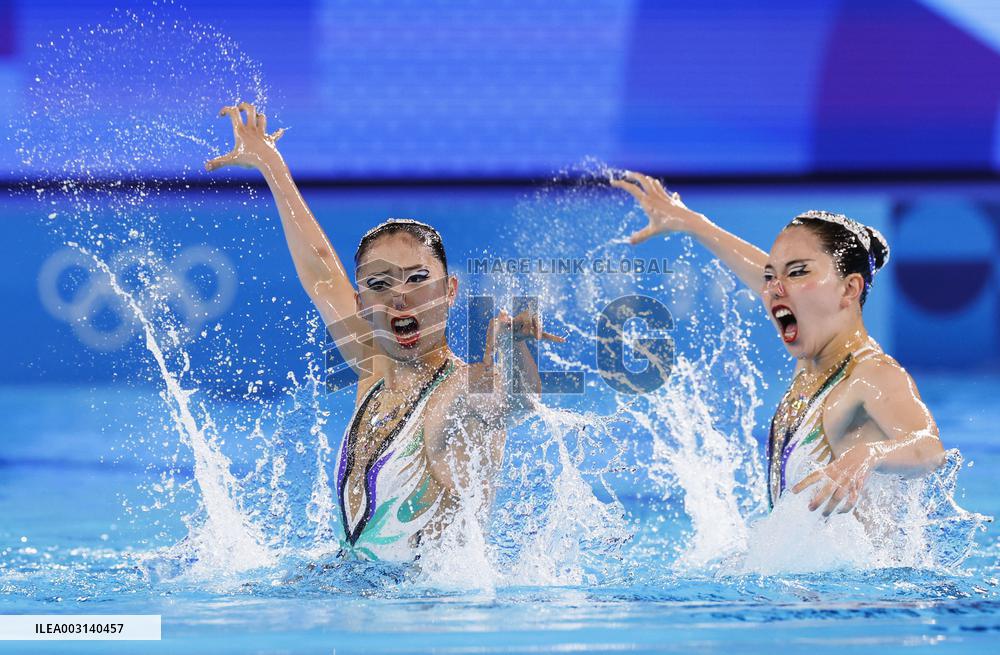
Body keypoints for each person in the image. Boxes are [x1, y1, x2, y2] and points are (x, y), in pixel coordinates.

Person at [206, 102, 562, 562]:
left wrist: (511, 353)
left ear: (450, 290)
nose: (400, 298)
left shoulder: (456, 391)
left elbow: (512, 401)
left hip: (432, 621)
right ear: (361, 303)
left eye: (417, 279)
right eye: (379, 284)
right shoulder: (373, 371)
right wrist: (270, 164)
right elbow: (320, 272)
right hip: (358, 612)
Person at [612, 172, 945, 517]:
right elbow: (775, 281)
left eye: (799, 272)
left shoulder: (870, 374)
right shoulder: (816, 357)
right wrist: (692, 222)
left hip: (865, 572)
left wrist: (868, 455)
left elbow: (929, 448)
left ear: (849, 289)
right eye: (772, 276)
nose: (774, 288)